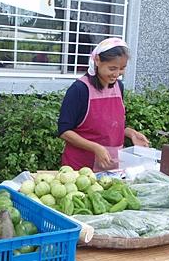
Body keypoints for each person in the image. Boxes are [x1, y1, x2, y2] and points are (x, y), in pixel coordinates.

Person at [57, 37, 149, 172]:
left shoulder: (119, 87)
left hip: (111, 166)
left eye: (122, 69)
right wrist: (95, 147)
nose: (117, 74)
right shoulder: (80, 90)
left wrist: (131, 133)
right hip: (80, 169)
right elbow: (64, 131)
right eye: (112, 68)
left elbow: (107, 127)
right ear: (97, 61)